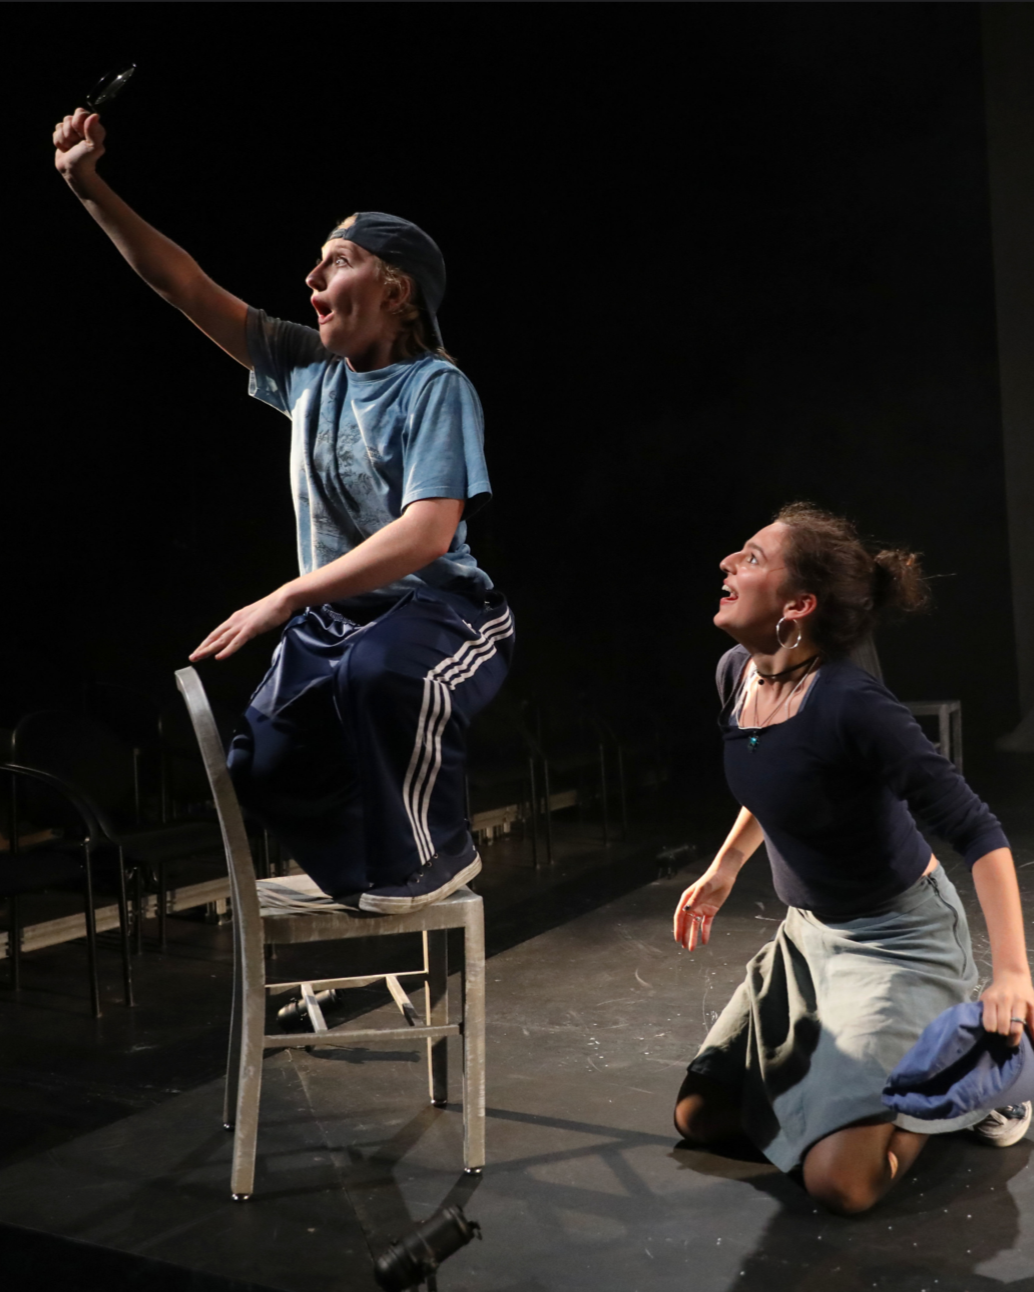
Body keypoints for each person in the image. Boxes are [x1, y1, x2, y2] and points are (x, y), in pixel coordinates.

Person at [53, 107, 513, 914]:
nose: (311, 281)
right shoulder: (307, 368)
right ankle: (375, 867)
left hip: (440, 612)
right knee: (260, 766)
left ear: (396, 291)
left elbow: (428, 530)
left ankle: (439, 850)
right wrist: (87, 186)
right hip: (336, 624)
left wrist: (288, 594)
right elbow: (183, 285)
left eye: (336, 264)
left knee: (380, 674)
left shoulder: (435, 385)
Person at [673, 502, 1034, 1215]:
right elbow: (780, 778)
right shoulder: (734, 675)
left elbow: (980, 830)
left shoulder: (852, 704)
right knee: (702, 1117)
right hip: (811, 936)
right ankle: (857, 1088)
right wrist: (725, 866)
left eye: (751, 558)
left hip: (900, 940)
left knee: (842, 1183)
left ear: (798, 605)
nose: (727, 564)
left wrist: (1014, 972)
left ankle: (979, 1080)